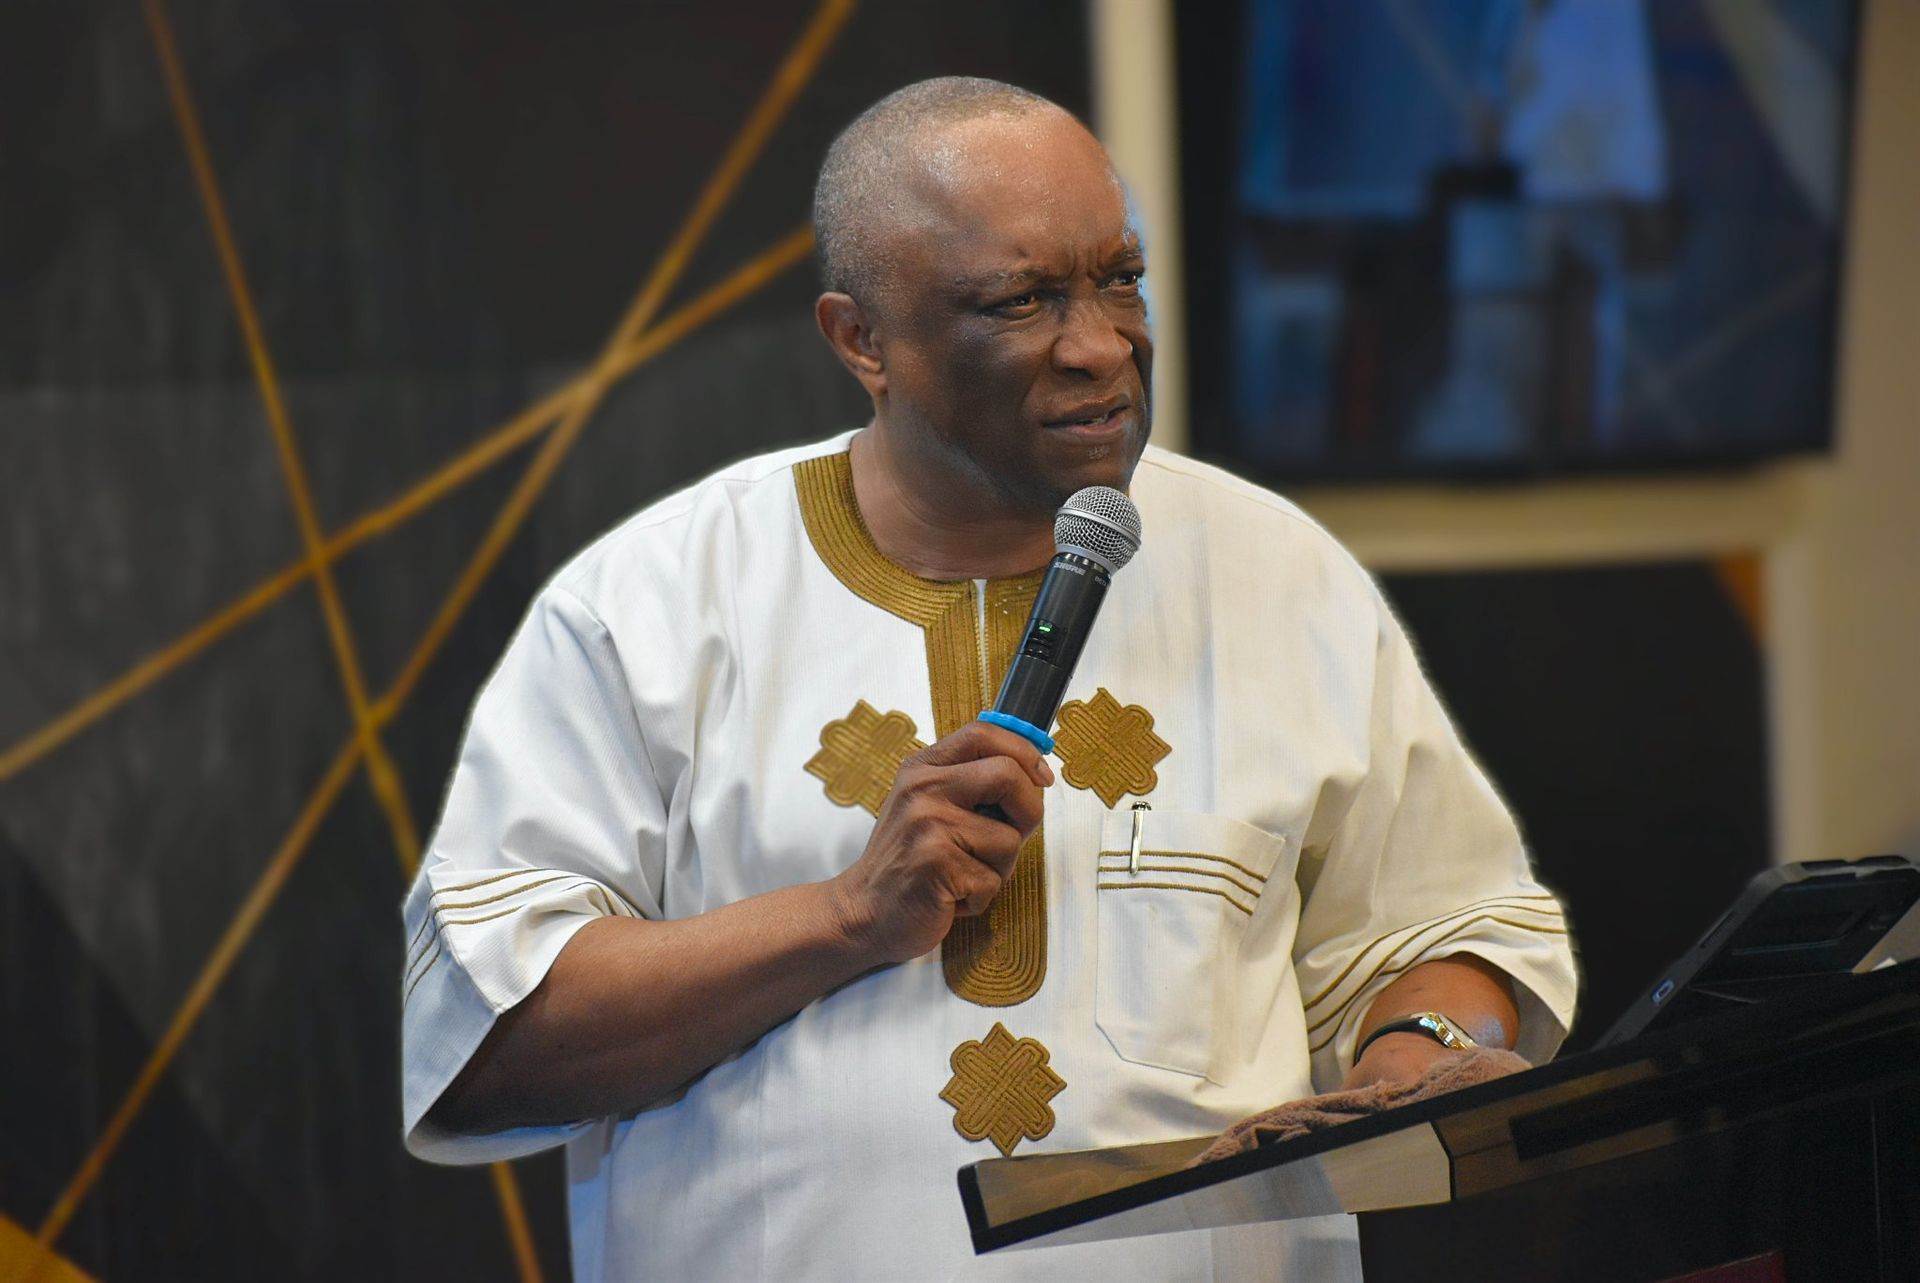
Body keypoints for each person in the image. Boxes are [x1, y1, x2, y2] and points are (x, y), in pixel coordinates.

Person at [400, 77, 1578, 1280]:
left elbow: (1451, 925)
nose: (1101, 345)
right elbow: (486, 1041)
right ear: (863, 341)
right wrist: (846, 916)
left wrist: (1415, 1052)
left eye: (1119, 278)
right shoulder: (653, 606)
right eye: (1020, 299)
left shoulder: (1279, 572)